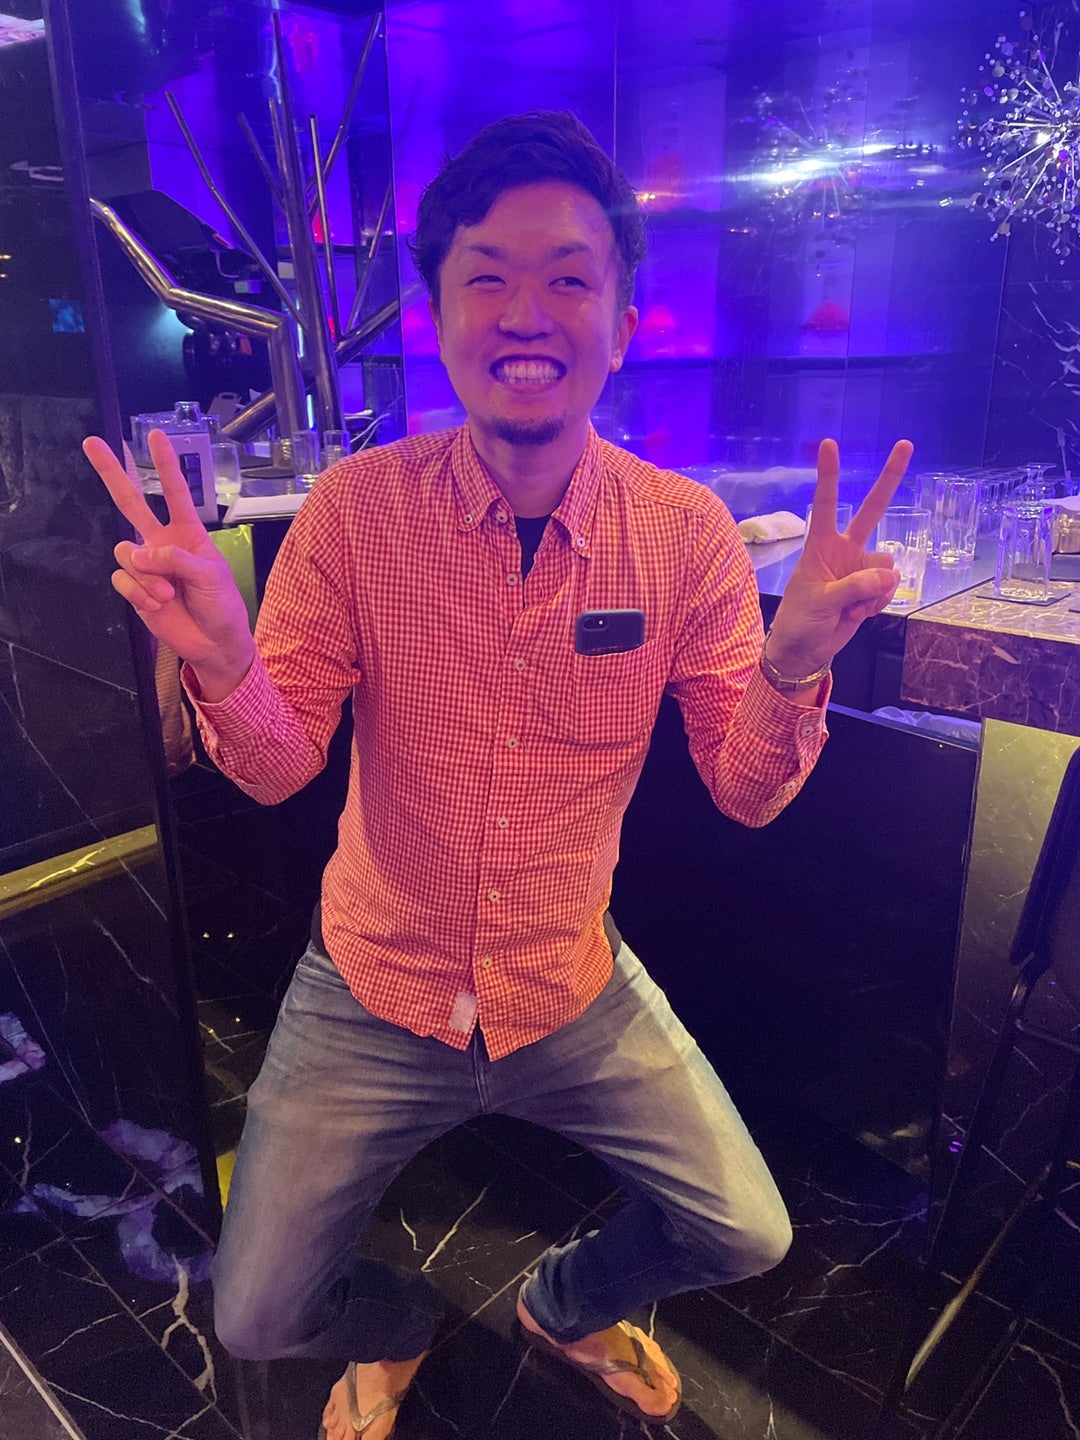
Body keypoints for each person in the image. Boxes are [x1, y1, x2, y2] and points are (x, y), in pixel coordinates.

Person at [84, 110, 911, 1440]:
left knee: (748, 1230)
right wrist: (227, 662)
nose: (527, 313)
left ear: (623, 323)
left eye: (569, 278)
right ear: (440, 313)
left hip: (569, 979)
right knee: (255, 1315)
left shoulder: (683, 534)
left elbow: (746, 788)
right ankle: (397, 1327)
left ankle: (565, 1303)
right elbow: (282, 769)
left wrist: (795, 662)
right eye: (488, 277)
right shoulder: (357, 513)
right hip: (372, 981)